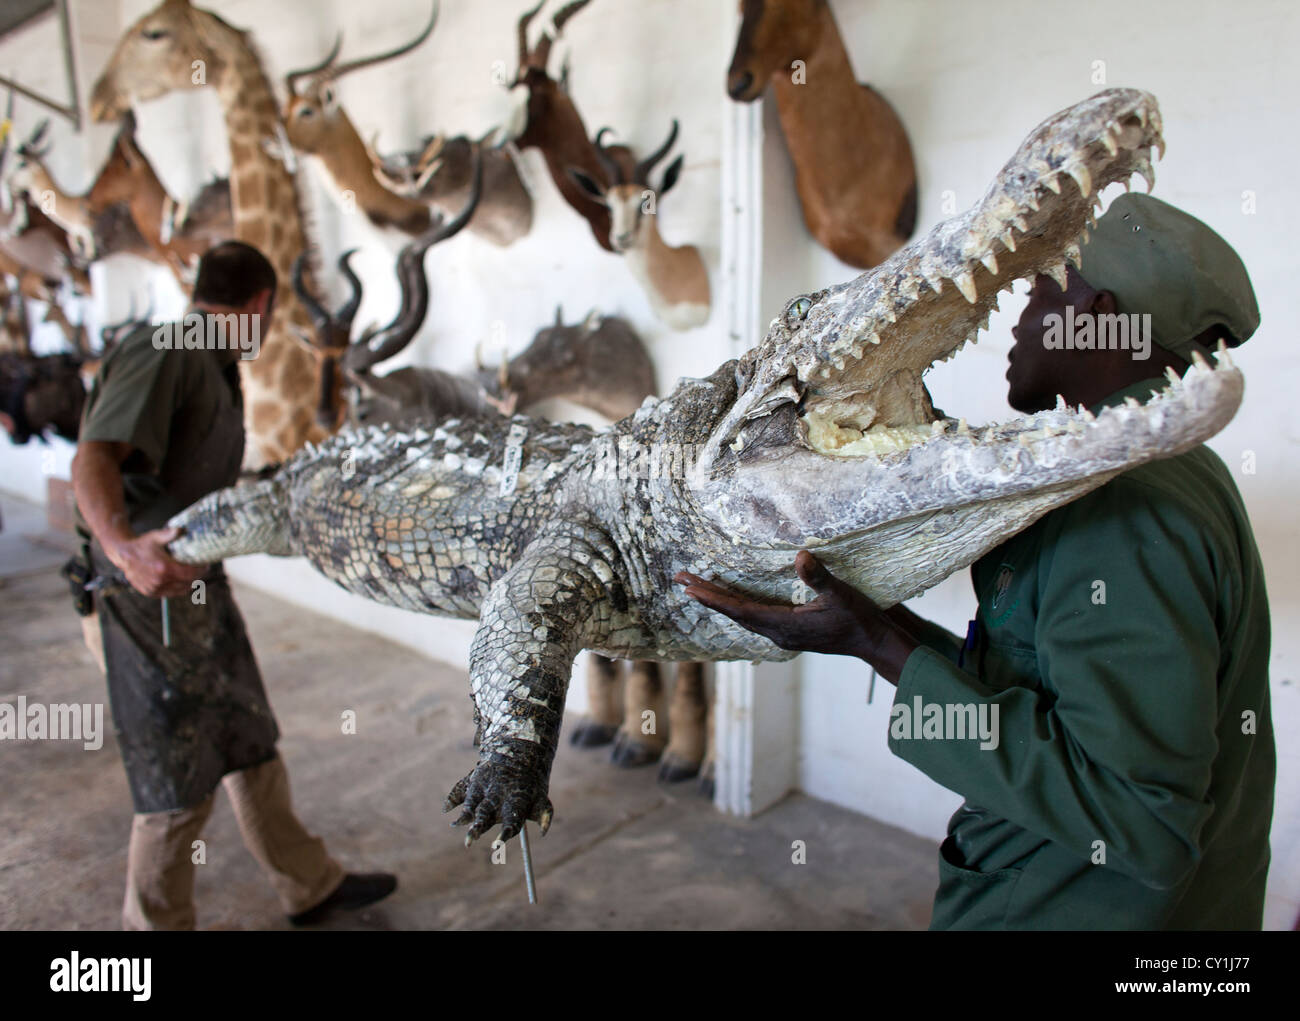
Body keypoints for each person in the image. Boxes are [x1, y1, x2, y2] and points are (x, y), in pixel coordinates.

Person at [677, 194, 1275, 930]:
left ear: (1094, 314)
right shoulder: (1167, 466)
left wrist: (876, 644)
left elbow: (1140, 822)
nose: (1018, 321)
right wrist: (874, 629)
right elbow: (1042, 690)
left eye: (1039, 291)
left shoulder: (1120, 509)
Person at [71, 241, 396, 930]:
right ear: (260, 306)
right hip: (139, 596)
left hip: (194, 586)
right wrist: (126, 550)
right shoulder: (170, 351)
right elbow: (92, 457)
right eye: (271, 316)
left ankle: (309, 885)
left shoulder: (213, 364)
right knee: (177, 779)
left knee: (249, 735)